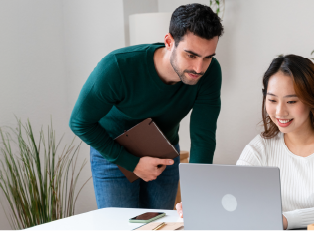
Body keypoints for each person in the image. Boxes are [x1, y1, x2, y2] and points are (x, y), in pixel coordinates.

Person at [176, 54, 314, 230]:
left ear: (311, 100)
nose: (280, 112)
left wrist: (286, 220)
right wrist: (203, 205)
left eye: (291, 101)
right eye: (272, 100)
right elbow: (234, 195)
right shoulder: (260, 147)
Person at [69, 3, 224, 210]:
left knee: (162, 225)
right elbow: (80, 122)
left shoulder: (210, 73)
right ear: (169, 42)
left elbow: (203, 138)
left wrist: (196, 193)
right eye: (191, 55)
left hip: (164, 155)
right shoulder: (117, 67)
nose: (199, 68)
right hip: (114, 154)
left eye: (207, 57)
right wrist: (131, 163)